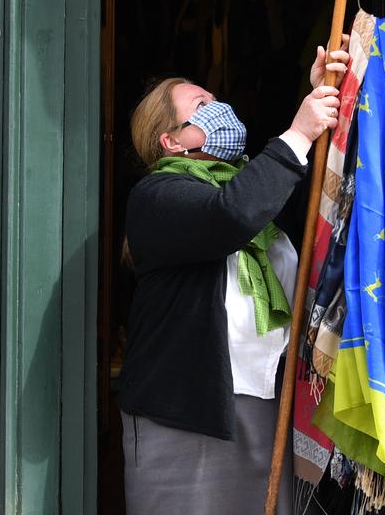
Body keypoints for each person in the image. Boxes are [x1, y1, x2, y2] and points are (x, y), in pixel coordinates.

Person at [118, 42, 349, 515]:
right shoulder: (157, 195)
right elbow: (232, 214)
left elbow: (287, 189)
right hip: (186, 416)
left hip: (265, 405)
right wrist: (298, 131)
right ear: (172, 141)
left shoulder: (258, 193)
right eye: (202, 106)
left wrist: (322, 91)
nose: (220, 109)